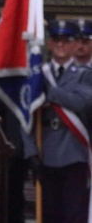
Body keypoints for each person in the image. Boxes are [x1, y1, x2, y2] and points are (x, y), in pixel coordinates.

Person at [34, 20, 92, 222]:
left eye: (66, 41)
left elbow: (82, 103)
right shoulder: (38, 73)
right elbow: (27, 114)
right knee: (50, 213)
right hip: (46, 151)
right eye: (56, 40)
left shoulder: (84, 75)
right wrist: (31, 151)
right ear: (49, 44)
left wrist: (50, 93)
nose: (61, 45)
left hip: (73, 153)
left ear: (74, 44)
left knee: (73, 214)